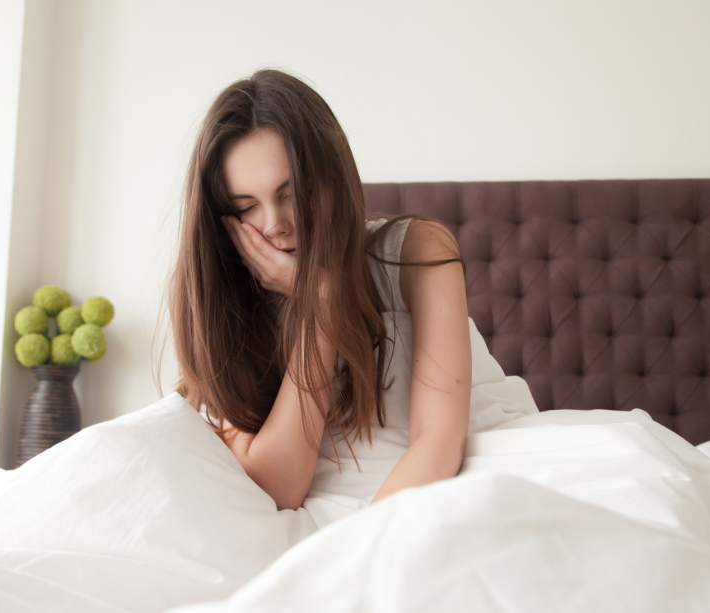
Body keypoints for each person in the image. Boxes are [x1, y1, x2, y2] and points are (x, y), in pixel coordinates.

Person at [159, 68, 476, 524]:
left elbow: (439, 439)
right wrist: (319, 303)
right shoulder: (224, 300)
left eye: (292, 195)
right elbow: (279, 487)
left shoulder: (419, 250)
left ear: (332, 179)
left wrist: (361, 551)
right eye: (246, 207)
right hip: (317, 516)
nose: (274, 224)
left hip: (434, 485)